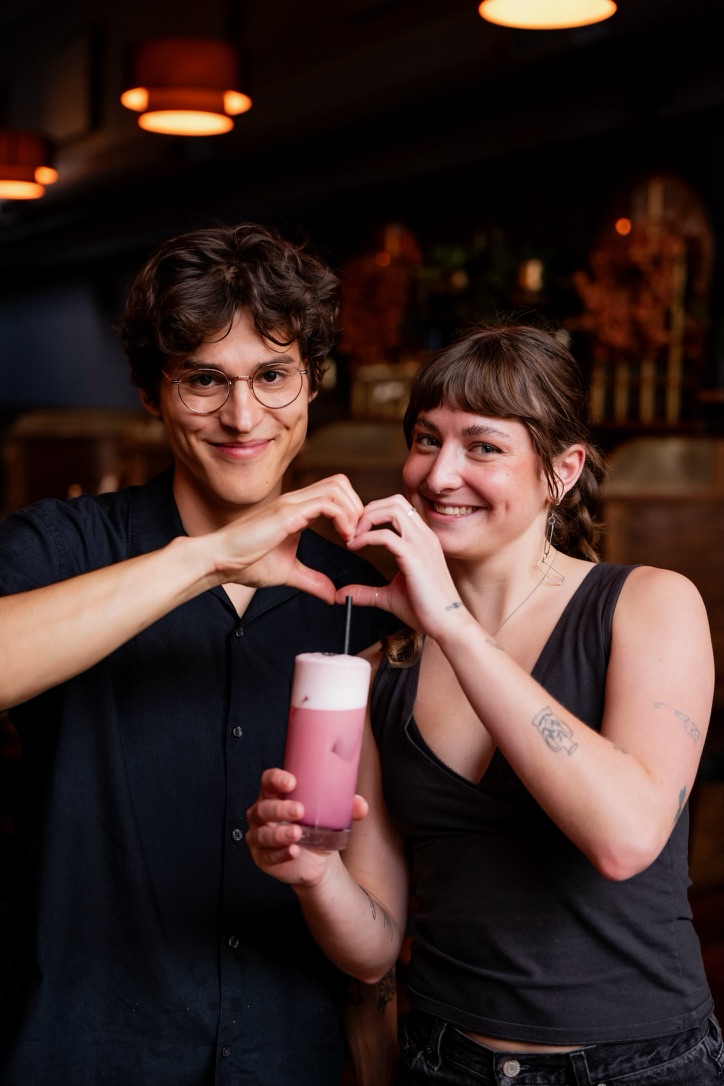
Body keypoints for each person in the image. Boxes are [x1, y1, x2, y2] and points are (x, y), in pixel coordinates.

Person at [246, 320, 723, 1085]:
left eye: (484, 446)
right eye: (427, 439)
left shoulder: (649, 606)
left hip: (637, 1064)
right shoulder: (377, 669)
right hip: (445, 1059)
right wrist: (312, 874)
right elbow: (373, 946)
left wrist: (453, 627)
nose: (437, 476)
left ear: (562, 471)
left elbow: (626, 837)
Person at [0, 222, 398, 1086]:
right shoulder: (62, 546)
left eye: (273, 377)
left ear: (313, 384)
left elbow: (371, 926)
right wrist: (210, 558)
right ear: (152, 391)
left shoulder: (355, 598)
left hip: (285, 1058)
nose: (243, 415)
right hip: (78, 1052)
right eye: (204, 380)